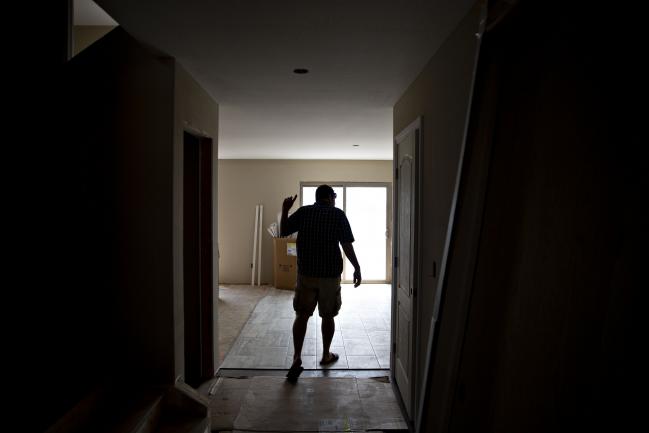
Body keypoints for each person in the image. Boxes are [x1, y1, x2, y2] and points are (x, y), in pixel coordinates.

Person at [280, 184, 361, 382]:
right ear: (330, 197)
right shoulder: (338, 215)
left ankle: (297, 358)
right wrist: (357, 267)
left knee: (302, 315)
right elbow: (346, 244)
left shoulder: (304, 212)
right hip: (329, 275)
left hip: (306, 273)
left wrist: (285, 210)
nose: (335, 199)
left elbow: (284, 232)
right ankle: (325, 354)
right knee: (328, 315)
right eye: (334, 196)